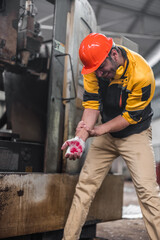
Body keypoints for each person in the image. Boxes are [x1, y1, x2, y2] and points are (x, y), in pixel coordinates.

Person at [61, 33, 160, 240]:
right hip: (106, 134)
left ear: (113, 54)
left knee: (148, 194)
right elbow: (91, 105)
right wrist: (80, 138)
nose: (98, 75)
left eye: (101, 70)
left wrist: (96, 131)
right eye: (94, 72)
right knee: (84, 187)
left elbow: (129, 117)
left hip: (135, 134)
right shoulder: (93, 69)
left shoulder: (142, 74)